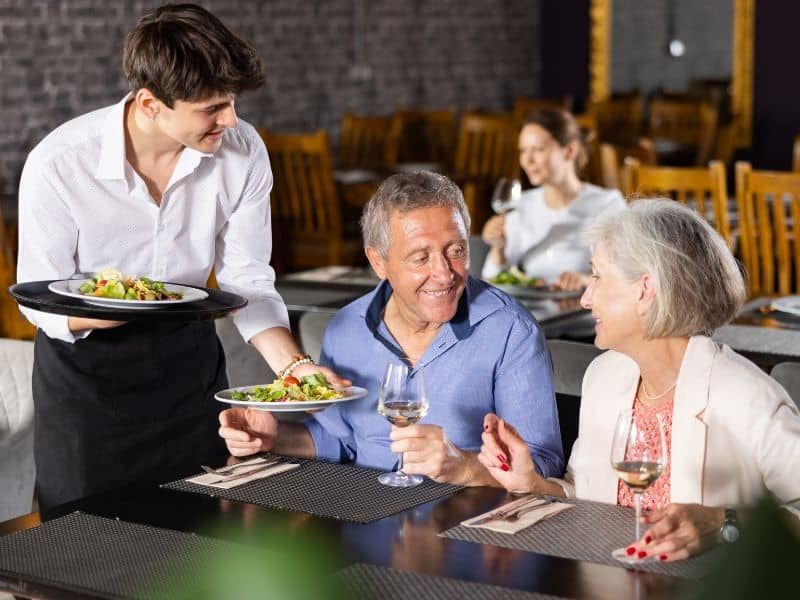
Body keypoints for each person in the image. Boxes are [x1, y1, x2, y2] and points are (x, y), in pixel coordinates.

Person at [16, 3, 342, 512]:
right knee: (81, 557)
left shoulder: (243, 151)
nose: (230, 119)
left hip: (189, 374)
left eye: (231, 102)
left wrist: (295, 366)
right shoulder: (59, 164)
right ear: (150, 104)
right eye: (212, 108)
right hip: (87, 384)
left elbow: (248, 281)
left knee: (199, 552)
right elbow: (39, 300)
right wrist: (129, 305)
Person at [479, 199, 800, 561]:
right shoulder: (604, 377)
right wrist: (534, 484)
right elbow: (586, 494)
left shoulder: (747, 397)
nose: (585, 298)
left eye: (597, 276)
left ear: (645, 289)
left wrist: (725, 521)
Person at [219, 171, 564, 485]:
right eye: (420, 257)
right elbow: (342, 440)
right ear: (377, 261)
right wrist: (274, 437)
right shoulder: (347, 328)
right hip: (368, 519)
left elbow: (543, 463)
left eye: (456, 250)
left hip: (472, 528)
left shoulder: (510, 331)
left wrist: (465, 466)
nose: (445, 273)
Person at [481, 108, 625, 290]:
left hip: (585, 310)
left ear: (570, 151)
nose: (527, 160)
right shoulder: (522, 204)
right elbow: (492, 279)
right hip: (532, 309)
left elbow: (624, 274)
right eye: (523, 150)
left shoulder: (607, 204)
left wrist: (585, 280)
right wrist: (498, 247)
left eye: (538, 149)